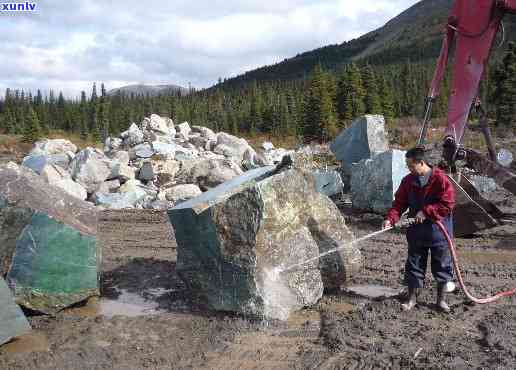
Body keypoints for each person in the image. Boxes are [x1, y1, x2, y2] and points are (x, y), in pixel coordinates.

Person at [382, 147, 455, 312]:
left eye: (410, 165)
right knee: (414, 264)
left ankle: (441, 301)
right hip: (416, 232)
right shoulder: (408, 181)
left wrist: (427, 211)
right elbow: (399, 203)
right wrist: (390, 219)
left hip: (439, 232)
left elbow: (447, 204)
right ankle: (411, 299)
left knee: (442, 265)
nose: (408, 169)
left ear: (421, 163)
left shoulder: (441, 180)